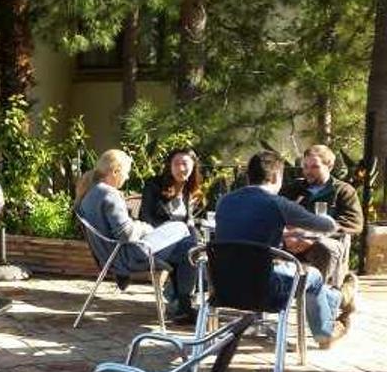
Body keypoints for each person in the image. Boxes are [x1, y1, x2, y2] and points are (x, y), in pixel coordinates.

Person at [215, 151, 357, 349]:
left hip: (222, 287)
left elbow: (244, 234)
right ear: (275, 177)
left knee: (301, 274)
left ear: (248, 176)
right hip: (263, 290)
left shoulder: (225, 201)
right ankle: (328, 325)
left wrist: (281, 233)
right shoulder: (277, 203)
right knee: (313, 276)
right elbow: (326, 226)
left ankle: (340, 298)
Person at [76, 149, 198, 324]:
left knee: (187, 248)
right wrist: (144, 227)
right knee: (182, 228)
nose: (126, 178)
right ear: (115, 171)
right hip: (127, 256)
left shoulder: (90, 192)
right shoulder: (110, 194)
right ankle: (183, 304)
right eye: (126, 173)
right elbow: (125, 233)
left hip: (110, 255)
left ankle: (182, 304)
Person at [279, 145, 363, 286]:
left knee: (324, 249)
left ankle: (316, 294)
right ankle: (275, 295)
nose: (308, 171)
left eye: (314, 167)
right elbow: (277, 214)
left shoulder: (343, 191)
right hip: (290, 240)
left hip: (322, 241)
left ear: (329, 166)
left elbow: (353, 221)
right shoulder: (292, 189)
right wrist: (286, 236)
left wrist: (314, 236)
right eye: (305, 166)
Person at [140, 148, 204, 229]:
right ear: (170, 166)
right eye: (176, 164)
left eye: (185, 163)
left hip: (182, 238)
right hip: (156, 235)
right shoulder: (153, 185)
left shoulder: (188, 189)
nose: (181, 168)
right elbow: (146, 218)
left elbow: (189, 219)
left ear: (193, 166)